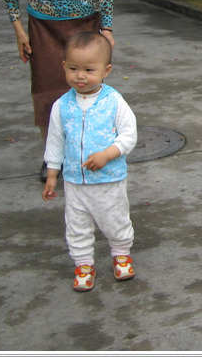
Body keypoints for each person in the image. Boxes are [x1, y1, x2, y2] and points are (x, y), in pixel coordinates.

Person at [1, 0, 114, 182]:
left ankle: (88, 151)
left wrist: (107, 28)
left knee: (88, 88)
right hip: (43, 25)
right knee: (47, 92)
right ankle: (52, 157)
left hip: (85, 22)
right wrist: (18, 28)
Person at [42, 32, 137, 292]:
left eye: (89, 70)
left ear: (106, 71)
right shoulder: (61, 106)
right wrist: (52, 174)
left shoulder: (114, 102)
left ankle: (121, 254)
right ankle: (83, 263)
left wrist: (108, 154)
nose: (80, 76)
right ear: (64, 67)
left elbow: (129, 135)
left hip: (109, 179)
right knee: (77, 225)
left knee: (115, 219)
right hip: (75, 181)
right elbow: (55, 142)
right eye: (73, 69)